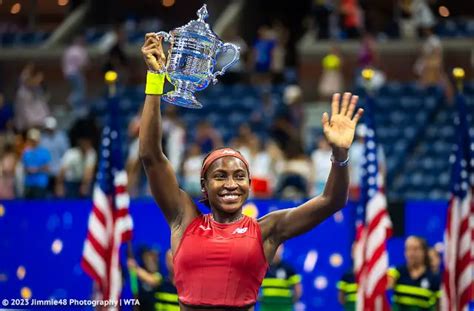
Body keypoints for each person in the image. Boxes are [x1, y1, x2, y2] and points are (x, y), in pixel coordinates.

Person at [139, 33, 364, 310]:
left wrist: (340, 154)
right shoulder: (184, 219)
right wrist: (155, 79)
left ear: (249, 184)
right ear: (204, 186)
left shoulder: (266, 230)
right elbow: (151, 156)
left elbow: (332, 201)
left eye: (239, 176)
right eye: (220, 176)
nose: (230, 183)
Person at [387, 236, 440, 311]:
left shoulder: (434, 278)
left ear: (424, 252)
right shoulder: (397, 272)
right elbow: (385, 286)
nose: (411, 253)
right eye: (408, 249)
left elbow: (439, 306)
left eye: (415, 249)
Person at [259, 244, 302, 311]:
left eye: (279, 247)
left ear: (283, 249)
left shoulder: (289, 268)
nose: (276, 249)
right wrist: (259, 298)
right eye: (274, 246)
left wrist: (290, 302)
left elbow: (298, 288)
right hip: (266, 308)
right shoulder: (262, 268)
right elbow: (251, 286)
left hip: (285, 308)